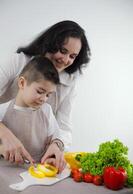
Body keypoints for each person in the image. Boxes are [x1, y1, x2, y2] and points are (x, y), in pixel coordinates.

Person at [0, 20, 91, 170]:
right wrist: (4, 133)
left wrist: (57, 145)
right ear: (50, 44)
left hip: (33, 161)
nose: (66, 60)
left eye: (73, 56)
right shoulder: (17, 62)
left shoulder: (69, 83)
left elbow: (63, 127)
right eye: (63, 51)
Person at [0, 56, 66, 171]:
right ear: (21, 83)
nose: (44, 99)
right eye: (40, 92)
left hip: (38, 173)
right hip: (6, 172)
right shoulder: (2, 111)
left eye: (48, 95)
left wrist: (56, 146)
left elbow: (57, 137)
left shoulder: (47, 111)